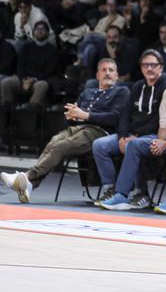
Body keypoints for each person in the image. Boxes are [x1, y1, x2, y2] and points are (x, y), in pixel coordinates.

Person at [2, 59, 129, 203]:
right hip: (78, 128)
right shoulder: (88, 92)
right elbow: (75, 115)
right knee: (54, 141)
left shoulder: (121, 92)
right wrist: (72, 116)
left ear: (117, 75)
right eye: (104, 70)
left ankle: (27, 176)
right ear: (97, 75)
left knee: (61, 146)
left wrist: (85, 115)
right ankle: (29, 185)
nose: (107, 73)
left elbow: (115, 118)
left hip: (100, 132)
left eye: (111, 70)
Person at [90, 49, 166, 207]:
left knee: (133, 145)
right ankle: (110, 189)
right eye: (145, 65)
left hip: (154, 135)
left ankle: (140, 192)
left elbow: (160, 119)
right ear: (141, 68)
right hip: (131, 134)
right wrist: (122, 136)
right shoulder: (137, 86)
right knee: (99, 145)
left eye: (153, 65)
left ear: (161, 68)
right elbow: (125, 115)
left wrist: (135, 136)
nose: (149, 69)